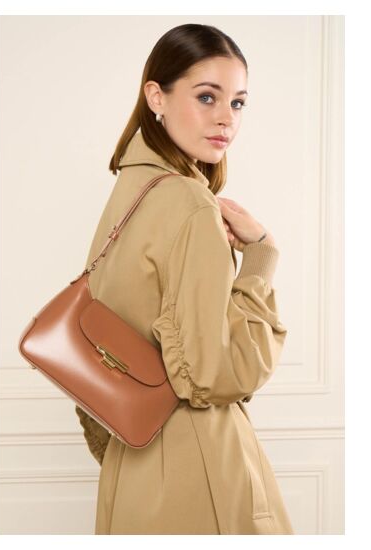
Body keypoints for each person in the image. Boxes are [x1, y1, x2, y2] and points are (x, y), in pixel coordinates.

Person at [75, 23, 294, 535]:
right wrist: (261, 257)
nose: (226, 118)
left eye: (237, 103)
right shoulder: (190, 203)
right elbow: (217, 373)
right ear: (157, 96)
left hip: (132, 463)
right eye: (206, 97)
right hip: (198, 466)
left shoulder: (132, 189)